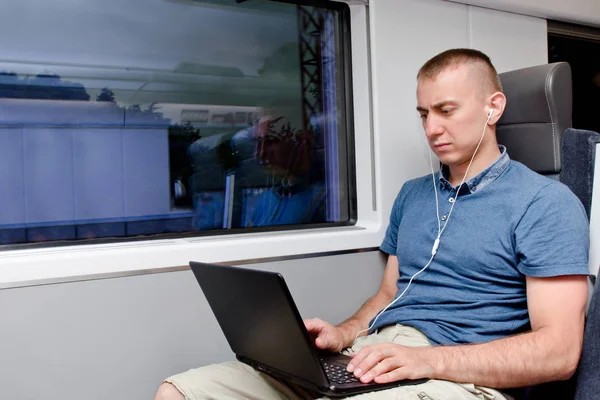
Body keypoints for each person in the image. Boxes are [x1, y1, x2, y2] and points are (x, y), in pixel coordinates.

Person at [154, 48, 590, 400]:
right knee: (178, 392)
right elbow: (387, 294)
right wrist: (342, 334)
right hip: (372, 354)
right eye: (423, 114)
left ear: (493, 108)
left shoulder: (545, 203)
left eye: (446, 110)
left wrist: (427, 362)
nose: (432, 128)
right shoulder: (413, 195)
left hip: (459, 377)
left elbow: (559, 352)